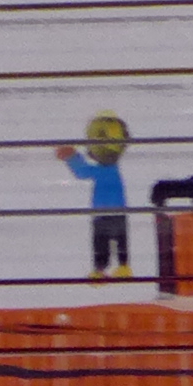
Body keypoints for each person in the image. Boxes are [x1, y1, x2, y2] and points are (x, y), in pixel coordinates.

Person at [56, 113, 133, 280]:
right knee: (118, 239)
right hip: (117, 211)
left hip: (104, 213)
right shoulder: (111, 170)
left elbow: (83, 172)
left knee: (102, 241)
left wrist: (72, 157)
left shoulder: (105, 171)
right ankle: (120, 267)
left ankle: (103, 270)